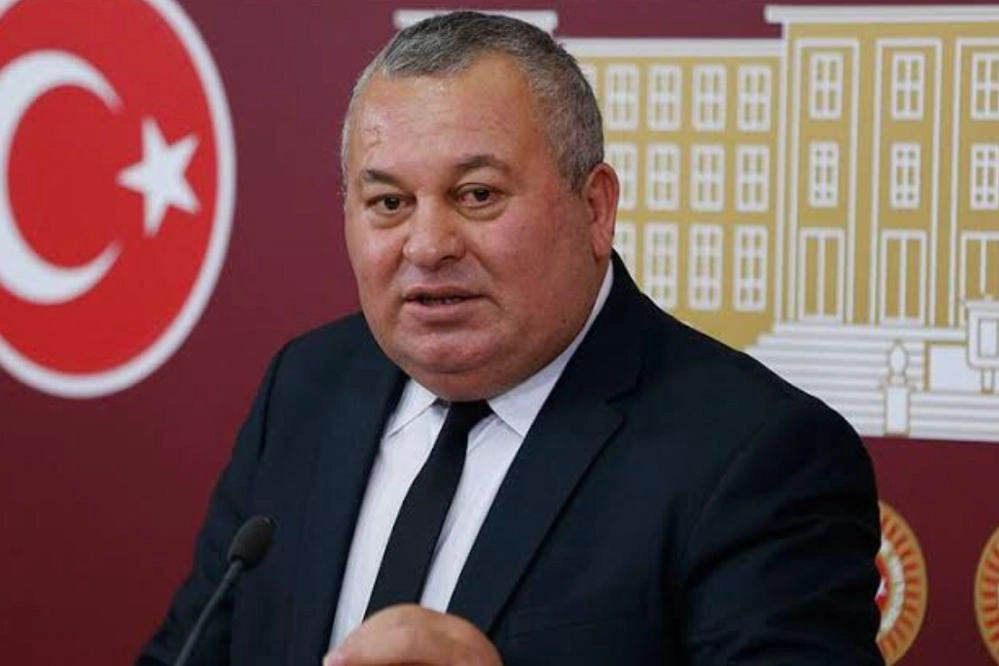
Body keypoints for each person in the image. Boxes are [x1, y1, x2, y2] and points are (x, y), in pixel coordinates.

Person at [138, 11, 883, 666]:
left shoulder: (755, 458)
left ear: (595, 208)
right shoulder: (306, 388)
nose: (427, 245)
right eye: (389, 202)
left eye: (477, 195)